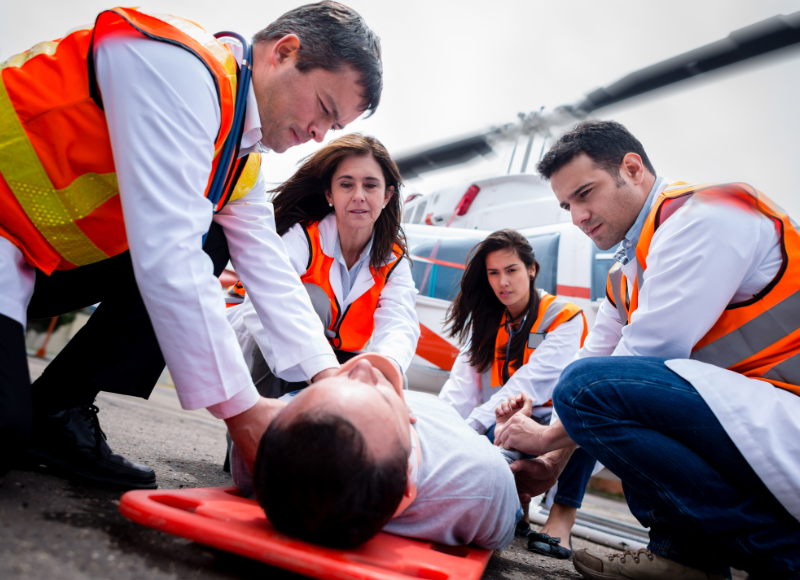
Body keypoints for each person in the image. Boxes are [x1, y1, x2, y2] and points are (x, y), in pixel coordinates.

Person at [0, 1, 382, 489]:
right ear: (284, 52)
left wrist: (327, 377)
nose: (318, 135)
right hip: (11, 244)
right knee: (3, 433)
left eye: (334, 127)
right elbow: (170, 252)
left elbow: (269, 270)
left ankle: (57, 409)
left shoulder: (237, 158)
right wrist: (243, 412)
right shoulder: (175, 65)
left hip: (30, 261)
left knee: (216, 235)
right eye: (325, 110)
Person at [493, 120, 800, 579]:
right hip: (751, 422)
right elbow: (597, 362)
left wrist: (544, 439)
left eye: (585, 193)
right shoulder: (627, 272)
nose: (577, 216)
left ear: (632, 169)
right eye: (566, 205)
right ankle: (685, 556)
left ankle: (783, 555)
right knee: (587, 387)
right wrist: (552, 461)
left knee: (586, 391)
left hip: (783, 419)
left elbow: (637, 361)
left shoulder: (711, 213)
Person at [229, 352, 521, 550]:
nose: (362, 367)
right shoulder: (481, 484)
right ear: (408, 483)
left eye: (304, 394)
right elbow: (501, 532)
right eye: (380, 397)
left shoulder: (252, 452)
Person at [438, 229, 593, 559]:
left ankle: (560, 521)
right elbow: (461, 389)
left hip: (554, 421)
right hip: (507, 416)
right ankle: (517, 509)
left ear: (532, 269)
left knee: (582, 431)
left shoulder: (563, 317)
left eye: (511, 270)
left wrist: (467, 432)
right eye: (493, 273)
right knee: (497, 433)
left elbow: (531, 383)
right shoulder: (486, 321)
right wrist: (440, 435)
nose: (502, 282)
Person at [227, 133, 419, 394]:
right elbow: (267, 304)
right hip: (255, 342)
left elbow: (400, 323)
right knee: (311, 299)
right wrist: (326, 374)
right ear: (330, 194)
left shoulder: (394, 261)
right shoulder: (301, 237)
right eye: (346, 185)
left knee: (378, 377)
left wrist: (385, 373)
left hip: (334, 354)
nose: (359, 196)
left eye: (371, 185)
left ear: (387, 196)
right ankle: (264, 424)